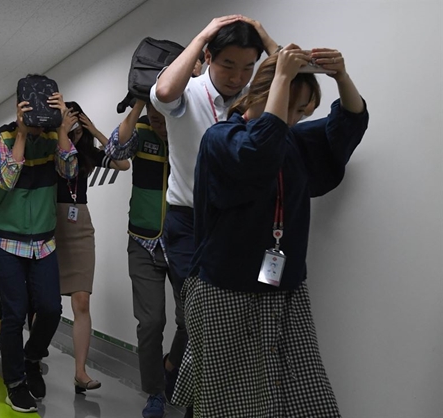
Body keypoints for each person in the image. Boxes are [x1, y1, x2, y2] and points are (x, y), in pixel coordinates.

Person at [172, 45, 368, 418]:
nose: (296, 119)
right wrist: (280, 76)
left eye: (303, 111)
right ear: (264, 92)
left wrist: (341, 77)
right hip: (224, 292)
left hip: (284, 291)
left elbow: (347, 125)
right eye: (294, 108)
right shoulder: (221, 140)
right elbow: (257, 154)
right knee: (223, 401)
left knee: (300, 396)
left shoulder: (291, 139)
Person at [149, 16, 278, 405]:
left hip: (238, 223)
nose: (238, 77)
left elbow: (294, 76)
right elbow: (163, 91)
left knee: (227, 315)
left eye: (247, 67)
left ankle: (190, 386)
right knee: (198, 312)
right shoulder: (187, 94)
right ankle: (176, 379)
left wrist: (265, 38)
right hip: (188, 221)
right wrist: (204, 33)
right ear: (208, 57)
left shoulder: (255, 97)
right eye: (228, 65)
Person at [0, 78, 77, 413]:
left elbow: (70, 172)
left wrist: (64, 130)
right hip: (5, 240)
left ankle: (32, 357)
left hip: (43, 241)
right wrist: (23, 135)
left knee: (51, 308)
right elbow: (7, 179)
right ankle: (15, 383)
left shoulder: (55, 138)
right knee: (14, 311)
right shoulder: (0, 137)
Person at [105, 99, 178, 418]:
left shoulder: (192, 130)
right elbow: (115, 151)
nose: (159, 124)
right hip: (143, 241)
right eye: (154, 117)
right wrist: (137, 110)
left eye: (165, 118)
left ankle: (172, 365)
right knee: (150, 323)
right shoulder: (141, 129)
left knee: (194, 320)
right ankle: (156, 392)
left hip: (184, 241)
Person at [56, 101, 129, 394]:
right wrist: (60, 131)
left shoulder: (87, 150)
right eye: (66, 117)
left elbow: (123, 164)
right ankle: (31, 358)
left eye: (75, 117)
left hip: (79, 223)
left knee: (81, 300)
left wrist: (96, 131)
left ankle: (80, 372)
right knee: (42, 300)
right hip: (48, 221)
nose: (71, 121)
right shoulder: (50, 145)